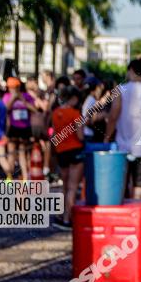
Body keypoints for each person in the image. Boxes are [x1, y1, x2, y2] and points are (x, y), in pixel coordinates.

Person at [106, 58, 141, 200]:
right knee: (140, 184)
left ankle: (122, 216)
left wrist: (107, 136)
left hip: (122, 145)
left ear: (130, 70)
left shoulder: (120, 89)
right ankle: (137, 216)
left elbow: (113, 114)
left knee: (121, 181)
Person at [51, 86, 86, 230]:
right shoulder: (76, 113)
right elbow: (80, 136)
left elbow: (54, 134)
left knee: (64, 186)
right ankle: (68, 219)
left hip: (61, 152)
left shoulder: (55, 112)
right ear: (74, 99)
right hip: (75, 151)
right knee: (72, 187)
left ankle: (63, 214)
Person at [2, 77, 38, 180]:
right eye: (10, 88)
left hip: (25, 128)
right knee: (11, 154)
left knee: (23, 153)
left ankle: (26, 178)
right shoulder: (7, 96)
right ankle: (9, 177)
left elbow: (34, 109)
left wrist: (22, 100)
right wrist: (13, 98)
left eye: (14, 88)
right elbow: (5, 109)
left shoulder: (26, 96)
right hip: (13, 128)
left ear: (18, 87)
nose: (11, 89)